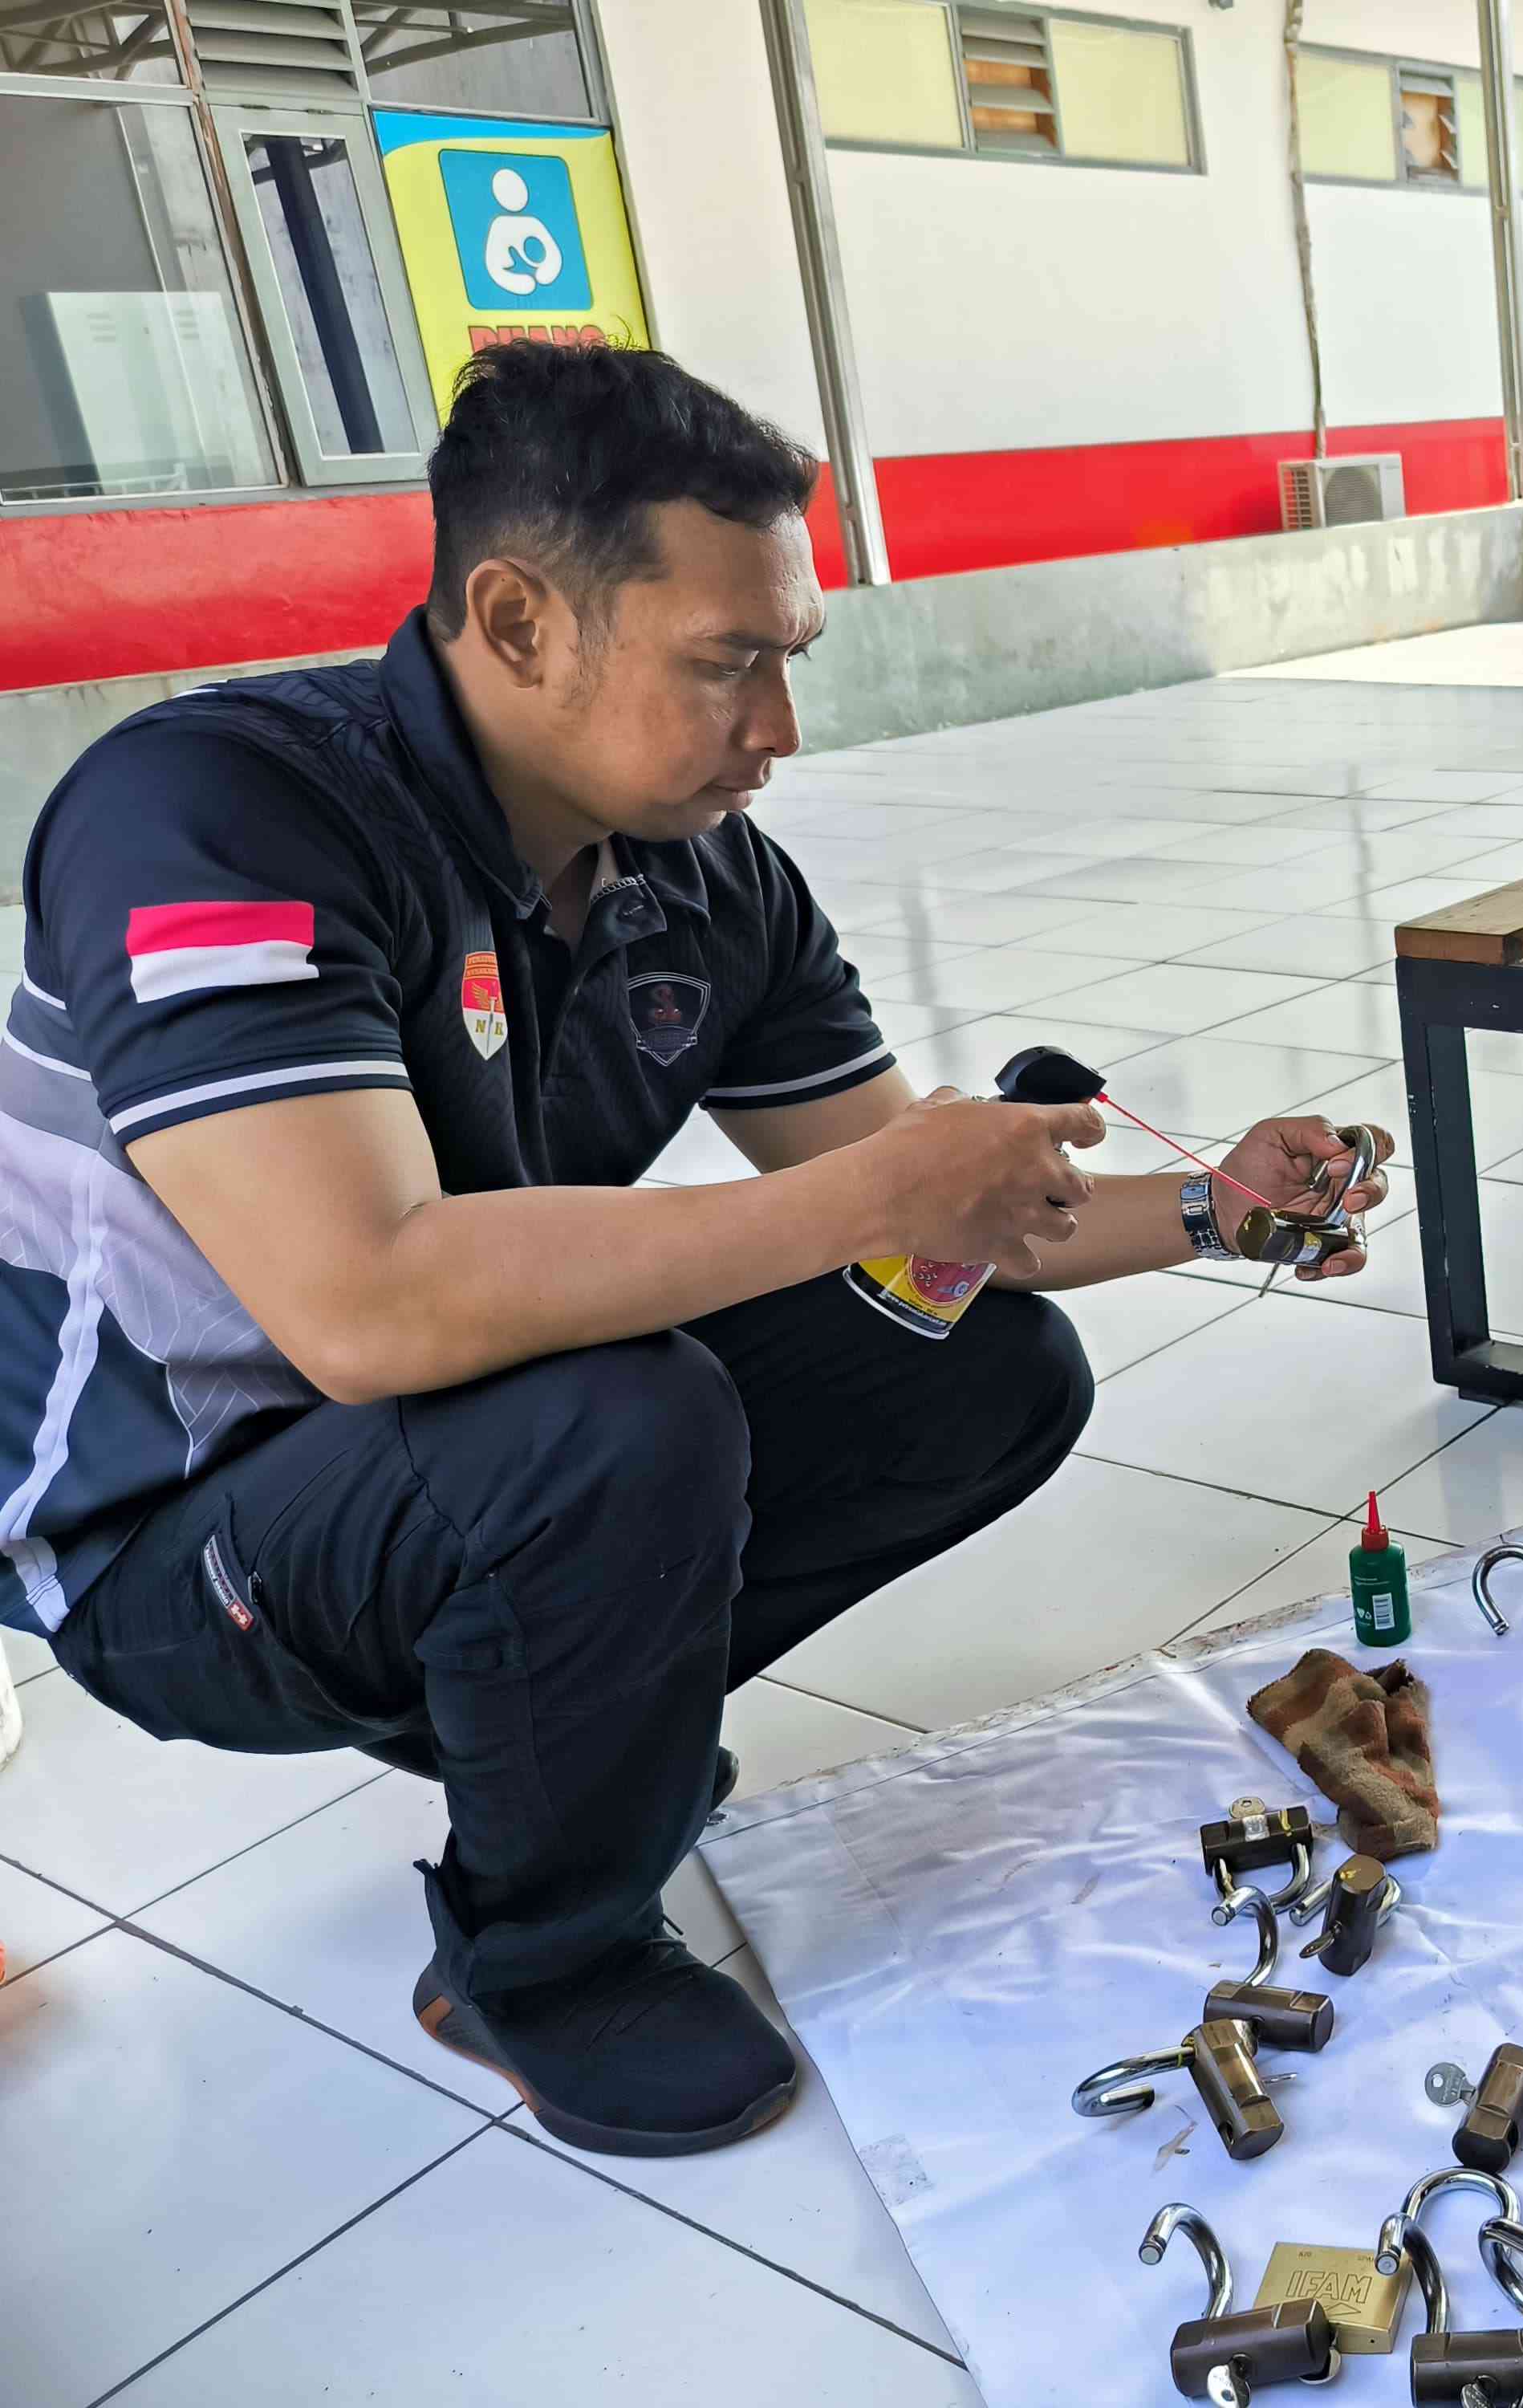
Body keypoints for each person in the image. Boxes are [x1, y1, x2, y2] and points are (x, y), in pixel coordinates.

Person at [8, 342, 1392, 2159]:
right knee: (615, 1417)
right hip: (171, 1537)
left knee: (975, 1362)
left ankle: (556, 1735)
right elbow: (364, 1305)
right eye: (725, 662)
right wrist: (876, 1199)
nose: (779, 729)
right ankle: (541, 1959)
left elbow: (935, 1218)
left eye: (787, 661)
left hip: (458, 1445)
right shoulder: (216, 811)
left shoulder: (705, 872)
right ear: (515, 620)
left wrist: (1219, 1207)